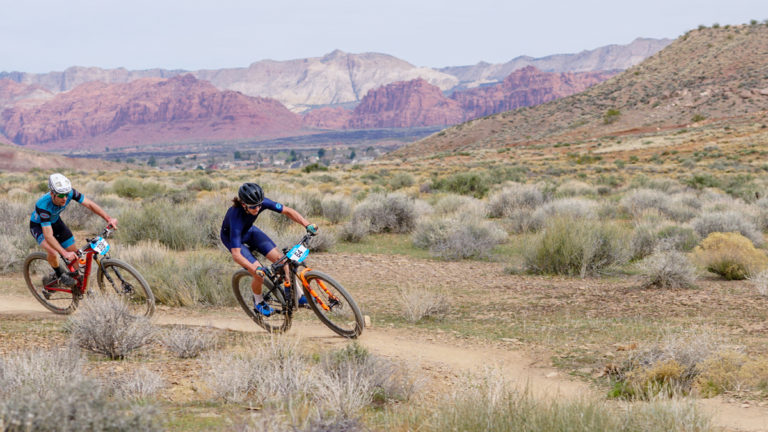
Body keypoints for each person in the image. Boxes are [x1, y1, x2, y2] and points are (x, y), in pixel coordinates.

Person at [220, 182, 318, 316]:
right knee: (258, 273)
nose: (257, 208)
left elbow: (287, 211)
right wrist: (255, 269)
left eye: (259, 205)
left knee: (282, 261)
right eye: (253, 206)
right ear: (243, 204)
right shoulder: (235, 217)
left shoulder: (260, 203)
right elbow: (236, 255)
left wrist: (307, 224)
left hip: (249, 231)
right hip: (233, 238)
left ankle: (299, 297)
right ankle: (258, 301)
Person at [29, 173, 118, 290]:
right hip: (39, 226)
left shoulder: (69, 192)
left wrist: (108, 219)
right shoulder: (43, 206)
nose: (65, 198)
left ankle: (78, 285)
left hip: (56, 223)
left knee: (75, 256)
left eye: (66, 195)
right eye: (61, 195)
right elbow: (48, 235)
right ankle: (59, 275)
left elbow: (89, 204)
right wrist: (64, 253)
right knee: (53, 252)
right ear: (52, 194)